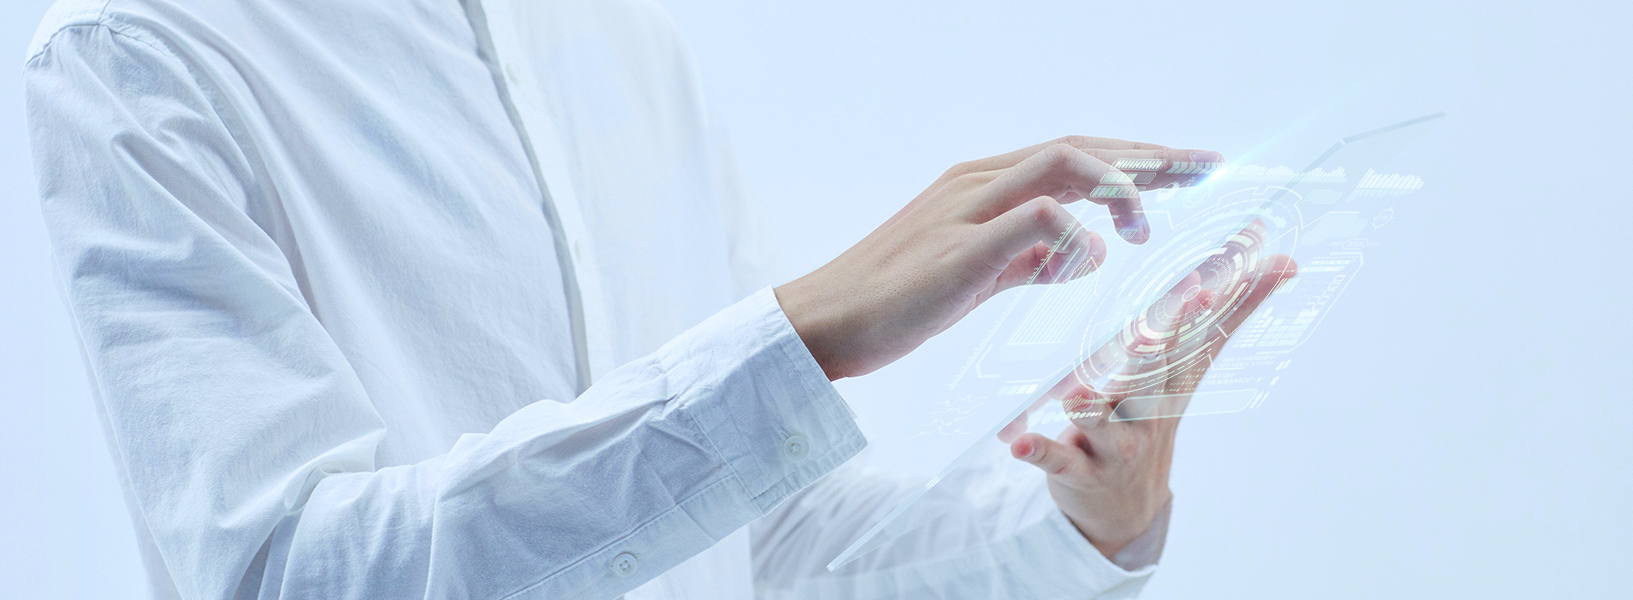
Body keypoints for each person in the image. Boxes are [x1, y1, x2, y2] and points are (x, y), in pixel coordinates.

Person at [25, 0, 1286, 598]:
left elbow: (759, 545)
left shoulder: (616, 40)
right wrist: (795, 338)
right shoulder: (137, 51)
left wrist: (1083, 521)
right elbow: (284, 575)